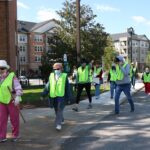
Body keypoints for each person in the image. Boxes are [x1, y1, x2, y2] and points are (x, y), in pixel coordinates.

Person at [41, 63, 70, 131]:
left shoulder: (64, 76)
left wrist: (68, 98)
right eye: (54, 69)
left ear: (61, 69)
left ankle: (58, 124)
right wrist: (43, 94)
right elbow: (47, 86)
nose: (56, 70)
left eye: (58, 69)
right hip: (53, 96)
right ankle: (61, 119)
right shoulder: (51, 76)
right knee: (56, 110)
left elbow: (67, 88)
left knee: (60, 109)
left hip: (61, 96)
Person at [0, 60, 23, 142]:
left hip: (12, 101)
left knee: (14, 119)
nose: (1, 70)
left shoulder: (12, 76)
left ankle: (15, 135)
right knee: (1, 119)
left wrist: (17, 96)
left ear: (6, 68)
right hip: (2, 102)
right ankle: (2, 136)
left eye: (2, 68)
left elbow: (18, 88)